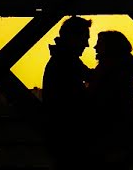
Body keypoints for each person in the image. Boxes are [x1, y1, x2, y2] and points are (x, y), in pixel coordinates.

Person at [41, 16, 93, 169]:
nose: (87, 44)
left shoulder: (63, 60)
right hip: (70, 137)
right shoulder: (67, 62)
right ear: (73, 38)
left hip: (61, 137)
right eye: (85, 38)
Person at [88, 30, 133, 168]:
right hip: (119, 134)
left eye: (99, 44)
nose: (95, 47)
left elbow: (100, 102)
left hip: (107, 135)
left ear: (110, 47)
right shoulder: (123, 69)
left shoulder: (110, 71)